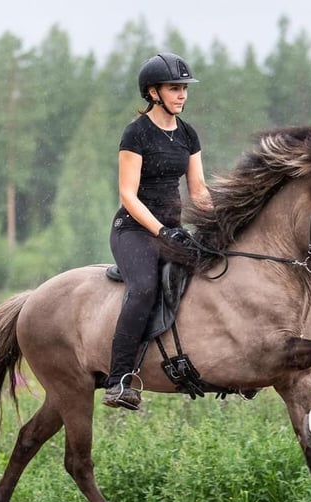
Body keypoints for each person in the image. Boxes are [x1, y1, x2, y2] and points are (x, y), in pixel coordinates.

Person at [103, 52, 211, 410]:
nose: (182, 95)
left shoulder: (187, 134)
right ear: (152, 92)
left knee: (212, 273)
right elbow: (128, 195)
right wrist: (162, 231)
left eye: (184, 88)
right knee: (145, 286)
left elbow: (197, 191)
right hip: (133, 230)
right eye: (174, 88)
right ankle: (118, 380)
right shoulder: (135, 134)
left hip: (172, 231)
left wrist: (221, 218)